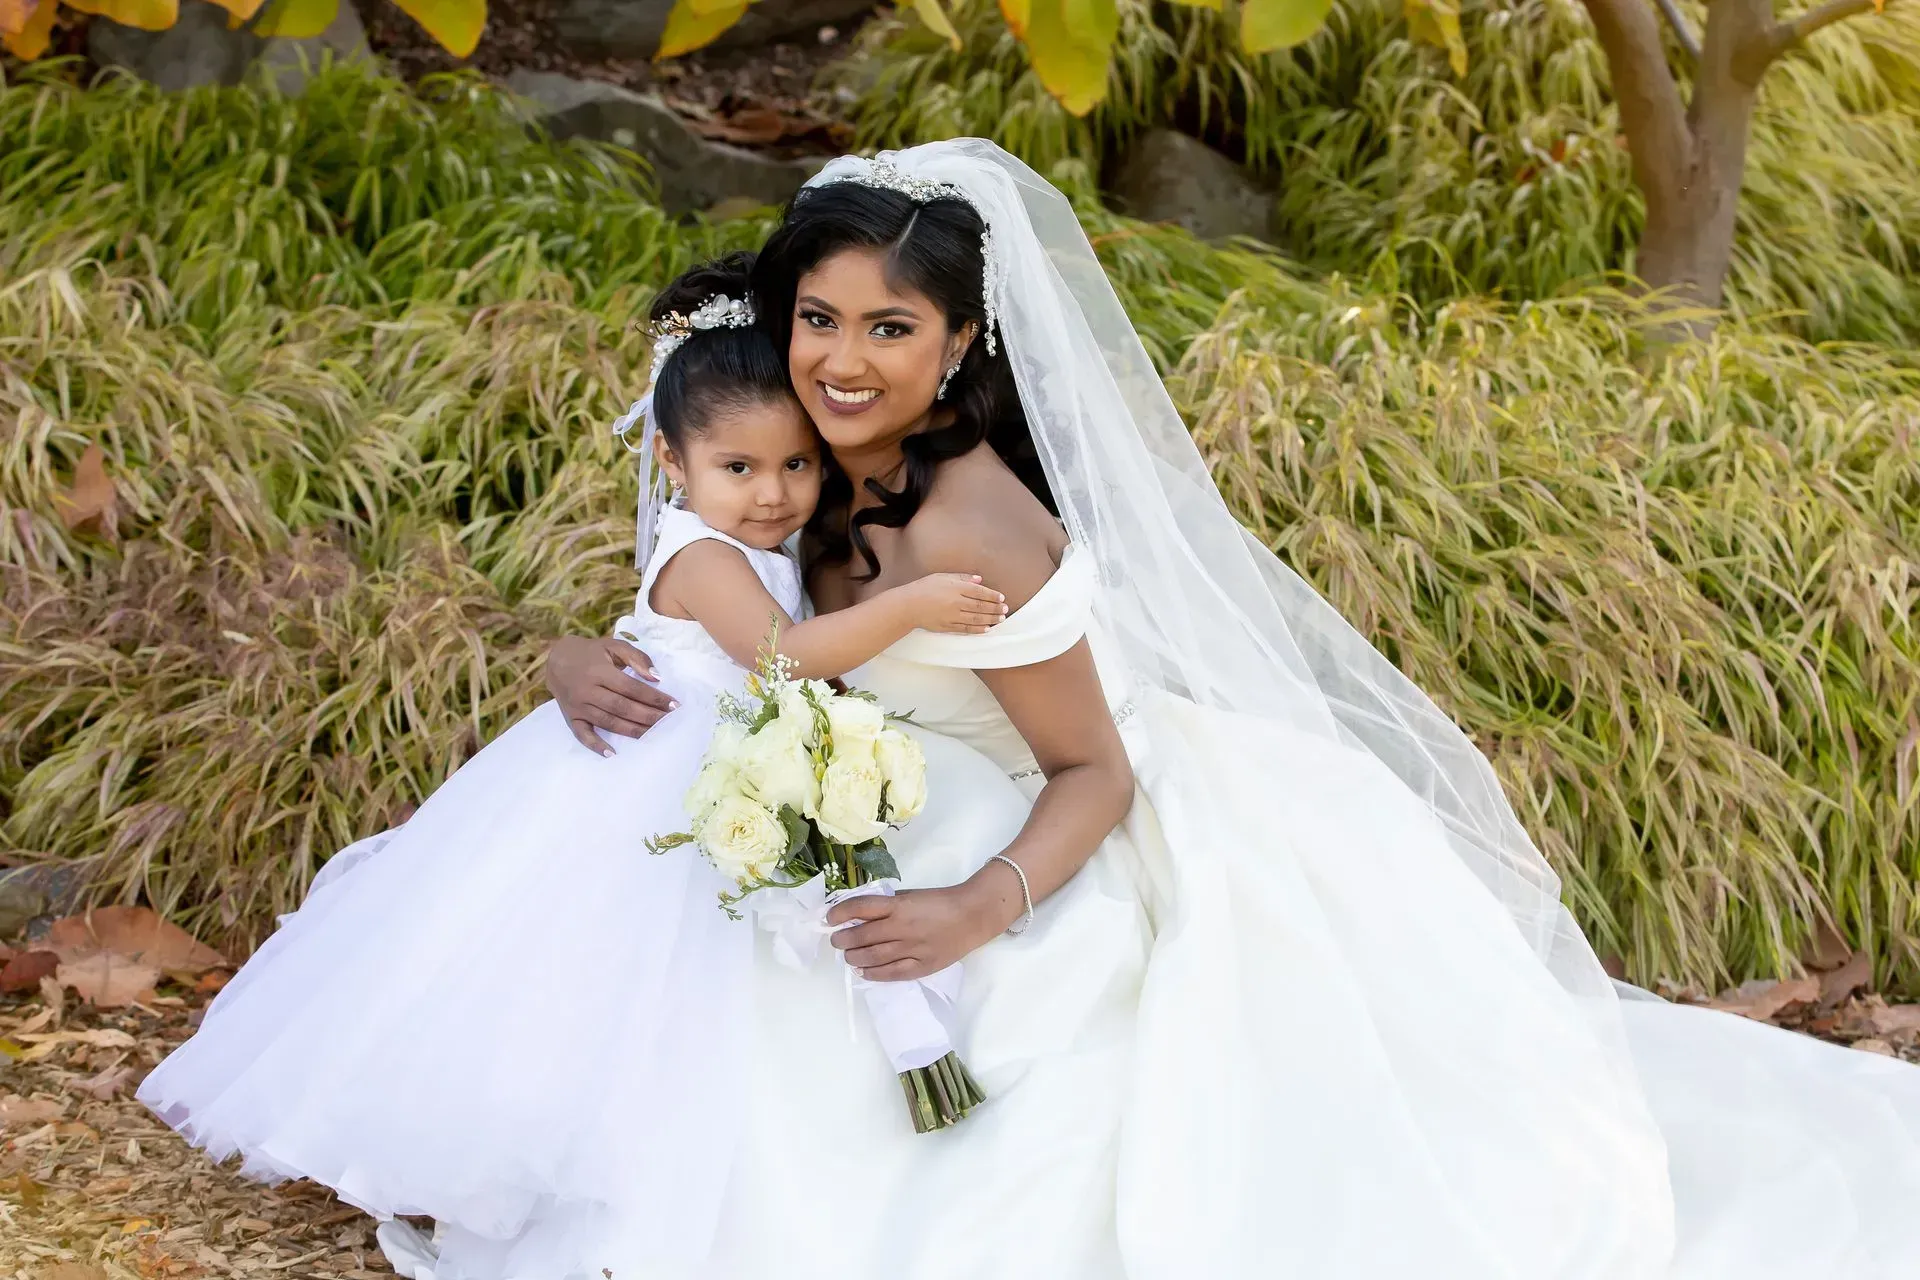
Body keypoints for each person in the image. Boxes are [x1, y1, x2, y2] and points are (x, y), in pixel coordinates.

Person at [524, 141, 1920, 1280]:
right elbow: (712, 600)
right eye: (819, 319)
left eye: (892, 328)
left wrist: (974, 907)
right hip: (896, 784)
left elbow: (1093, 771)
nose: (844, 358)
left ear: (955, 347)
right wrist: (574, 659)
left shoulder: (974, 529)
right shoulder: (790, 445)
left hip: (1078, 830)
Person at [132, 253, 1012, 1280]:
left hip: (706, 774)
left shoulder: (754, 530)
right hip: (643, 782)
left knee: (663, 1009)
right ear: (672, 464)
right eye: (739, 468)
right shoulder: (705, 554)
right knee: (583, 989)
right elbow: (777, 655)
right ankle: (510, 1175)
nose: (774, 493)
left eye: (795, 464)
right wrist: (905, 608)